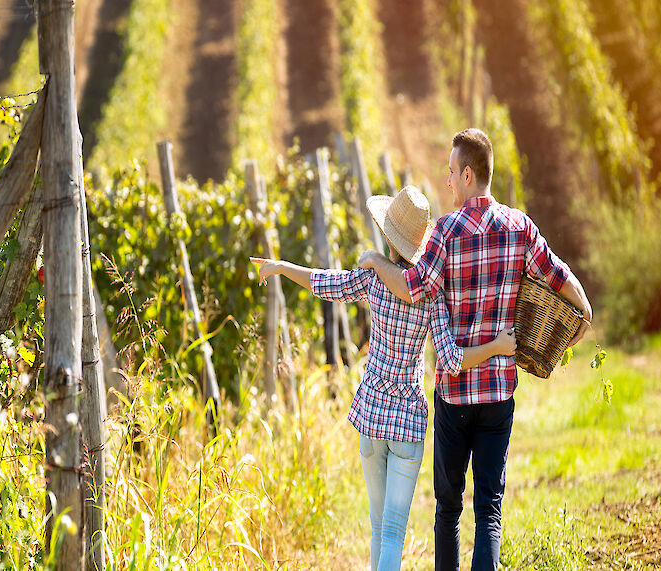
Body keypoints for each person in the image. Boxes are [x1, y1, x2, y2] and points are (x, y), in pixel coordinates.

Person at [358, 128, 593, 570]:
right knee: (489, 509)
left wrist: (375, 261)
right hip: (499, 391)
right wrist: (584, 309)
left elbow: (413, 288)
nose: (447, 181)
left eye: (450, 173)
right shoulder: (519, 226)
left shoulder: (444, 231)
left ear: (468, 174)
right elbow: (556, 273)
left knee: (448, 510)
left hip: (454, 395)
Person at [251, 185, 516, 571]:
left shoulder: (374, 280)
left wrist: (281, 267)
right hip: (407, 421)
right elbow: (452, 359)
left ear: (388, 236)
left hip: (371, 414)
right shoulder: (432, 295)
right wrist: (497, 346)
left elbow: (327, 283)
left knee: (378, 528)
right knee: (394, 531)